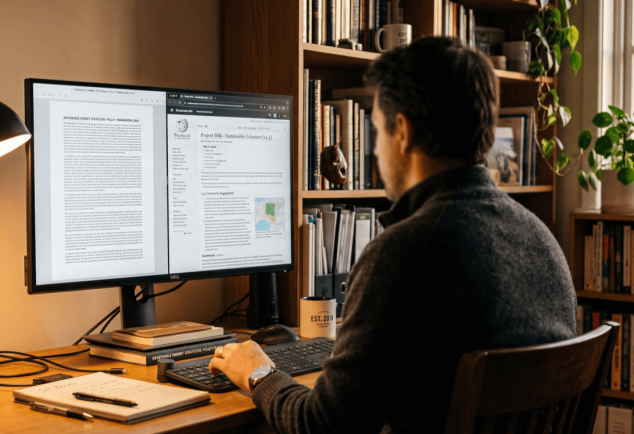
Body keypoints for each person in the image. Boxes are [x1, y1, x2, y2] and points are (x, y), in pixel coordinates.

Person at [209, 36, 576, 434]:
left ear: (402, 131)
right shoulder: (543, 242)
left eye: (376, 130)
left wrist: (260, 372)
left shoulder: (404, 253)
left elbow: (323, 426)